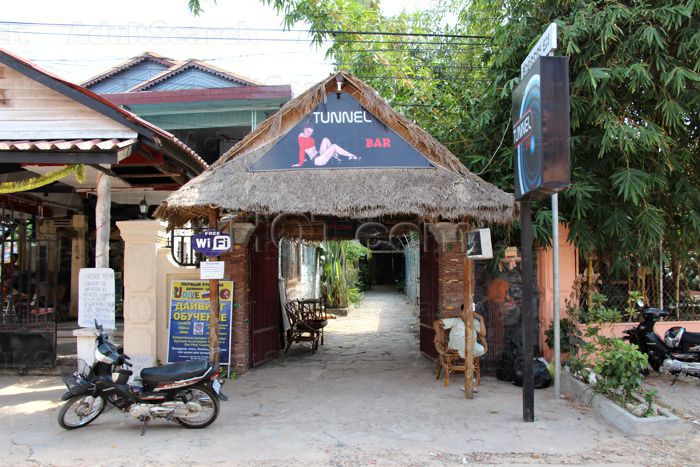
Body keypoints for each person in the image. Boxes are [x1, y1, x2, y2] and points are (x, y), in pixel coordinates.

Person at [293, 124, 359, 167]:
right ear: (304, 129)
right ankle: (352, 155)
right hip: (317, 160)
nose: (308, 133)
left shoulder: (306, 137)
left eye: (310, 132)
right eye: (307, 131)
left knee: (325, 139)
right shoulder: (301, 138)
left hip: (319, 155)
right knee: (334, 146)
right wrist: (300, 163)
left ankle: (335, 155)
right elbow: (302, 150)